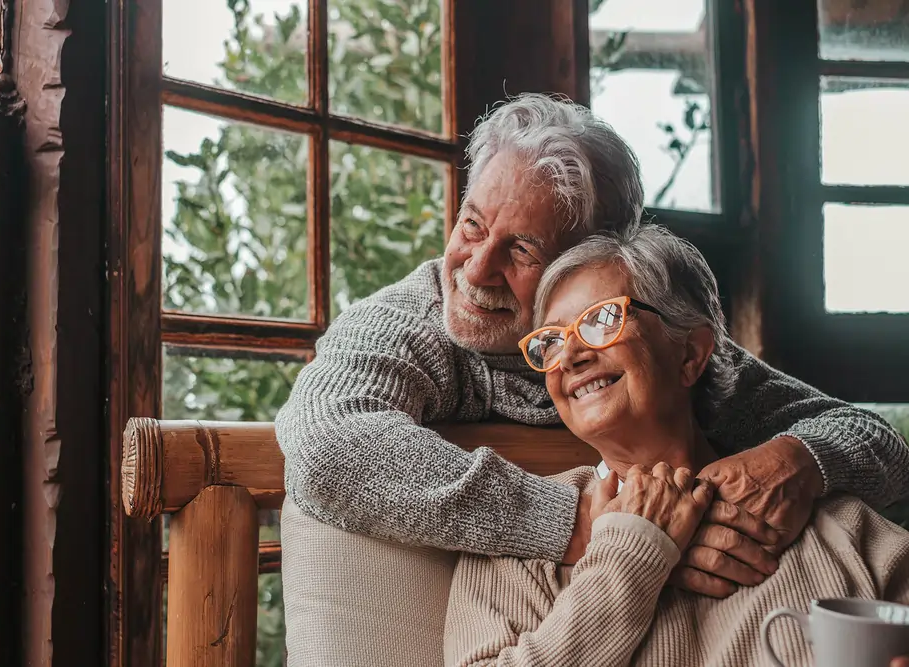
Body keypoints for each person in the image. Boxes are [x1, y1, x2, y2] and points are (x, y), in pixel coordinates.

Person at [274, 93, 909, 595]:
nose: (473, 269)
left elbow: (874, 440)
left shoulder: (654, 345)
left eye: (522, 249)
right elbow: (328, 446)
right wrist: (592, 524)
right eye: (472, 224)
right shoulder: (408, 322)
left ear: (588, 266)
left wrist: (799, 459)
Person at [444, 225, 909, 666]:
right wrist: (632, 553)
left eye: (602, 320)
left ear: (689, 355)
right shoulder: (518, 544)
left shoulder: (837, 524)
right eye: (551, 340)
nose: (570, 356)